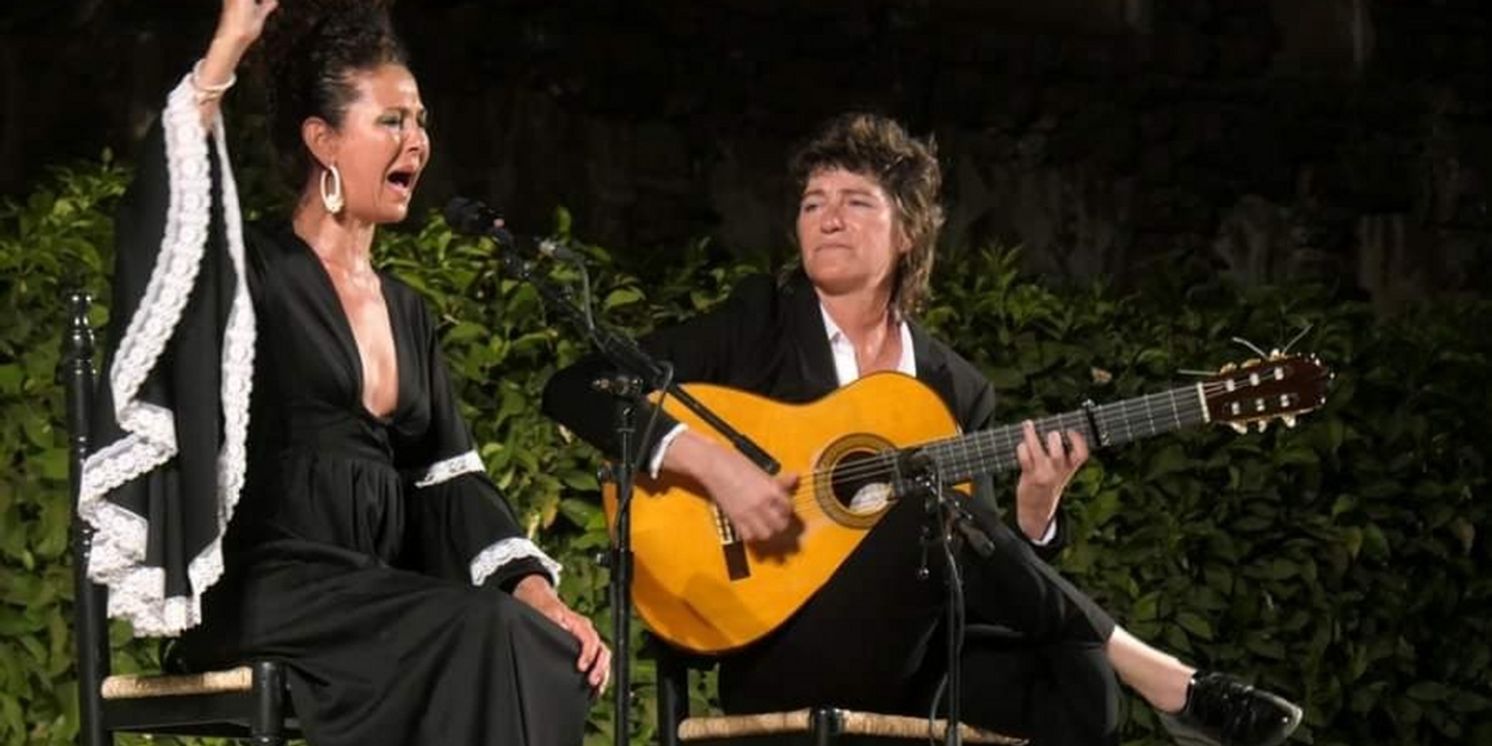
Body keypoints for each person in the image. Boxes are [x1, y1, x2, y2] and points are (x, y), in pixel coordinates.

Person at [542, 113, 1302, 746]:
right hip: (777, 634)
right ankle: (1174, 685)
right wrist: (713, 466)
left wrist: (1037, 519)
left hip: (919, 651)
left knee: (1081, 681)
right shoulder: (760, 324)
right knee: (922, 493)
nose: (828, 217)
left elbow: (984, 565)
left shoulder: (955, 385)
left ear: (908, 232)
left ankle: (1137, 674)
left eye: (855, 201)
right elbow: (577, 386)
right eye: (812, 202)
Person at [78, 1, 607, 743]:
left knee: (545, 641)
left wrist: (532, 587)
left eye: (420, 120)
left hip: (382, 589)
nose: (416, 141)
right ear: (323, 141)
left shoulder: (409, 311)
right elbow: (171, 230)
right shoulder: (249, 274)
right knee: (478, 632)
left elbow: (452, 476)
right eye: (391, 121)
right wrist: (223, 56)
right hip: (270, 585)